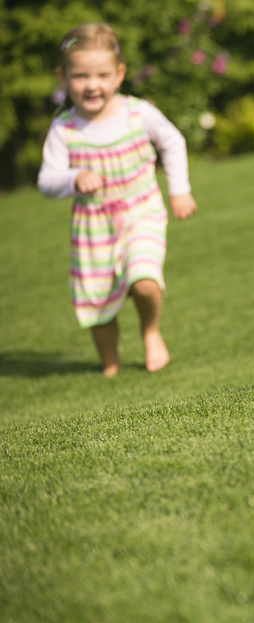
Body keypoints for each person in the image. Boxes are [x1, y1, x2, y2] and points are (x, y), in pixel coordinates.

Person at [38, 22, 197, 377]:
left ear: (119, 74)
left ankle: (151, 330)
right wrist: (74, 178)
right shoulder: (63, 128)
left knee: (144, 280)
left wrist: (179, 189)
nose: (92, 84)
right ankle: (109, 362)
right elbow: (47, 181)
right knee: (97, 302)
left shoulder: (138, 113)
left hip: (142, 213)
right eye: (80, 76)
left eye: (102, 74)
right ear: (62, 77)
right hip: (93, 228)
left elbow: (172, 142)